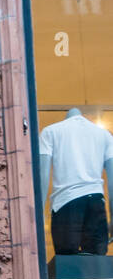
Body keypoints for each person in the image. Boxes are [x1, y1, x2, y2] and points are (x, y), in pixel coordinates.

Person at [38, 107, 113, 256]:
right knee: (96, 265)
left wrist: (37, 215)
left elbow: (43, 176)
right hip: (96, 202)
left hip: (66, 202)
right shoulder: (105, 136)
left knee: (66, 264)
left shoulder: (50, 132)